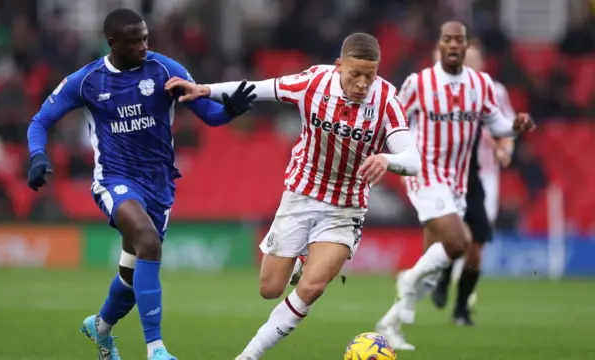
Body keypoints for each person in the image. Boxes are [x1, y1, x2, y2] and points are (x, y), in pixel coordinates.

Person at [165, 32, 422, 360]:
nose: (361, 84)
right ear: (338, 65)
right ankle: (301, 260)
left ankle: (247, 356)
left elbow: (412, 160)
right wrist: (205, 90)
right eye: (354, 74)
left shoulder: (386, 100)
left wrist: (388, 159)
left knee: (312, 288)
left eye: (368, 76)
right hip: (301, 194)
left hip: (346, 206)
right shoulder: (313, 82)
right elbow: (261, 88)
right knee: (269, 288)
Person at [26, 8, 256, 360]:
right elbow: (40, 120)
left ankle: (100, 327)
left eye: (146, 38)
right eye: (135, 41)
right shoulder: (87, 81)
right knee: (148, 242)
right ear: (112, 43)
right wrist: (38, 156)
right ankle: (156, 349)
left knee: (132, 277)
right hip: (114, 179)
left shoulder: (166, 70)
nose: (143, 46)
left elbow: (209, 116)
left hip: (159, 186)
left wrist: (231, 110)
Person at [374, 21, 535, 350]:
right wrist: (390, 156)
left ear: (465, 46)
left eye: (458, 40)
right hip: (425, 172)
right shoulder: (418, 83)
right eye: (446, 39)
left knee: (435, 261)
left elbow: (498, 123)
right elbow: (394, 119)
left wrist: (516, 128)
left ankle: (391, 322)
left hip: (458, 181)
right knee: (459, 242)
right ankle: (408, 281)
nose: (452, 45)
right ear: (439, 45)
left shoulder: (481, 84)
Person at [430, 40, 516, 326]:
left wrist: (505, 150)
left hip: (485, 176)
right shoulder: (441, 90)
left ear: (482, 64)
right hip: (451, 174)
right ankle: (443, 277)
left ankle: (461, 307)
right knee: (458, 234)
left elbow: (507, 129)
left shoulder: (495, 91)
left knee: (476, 245)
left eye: (473, 61)